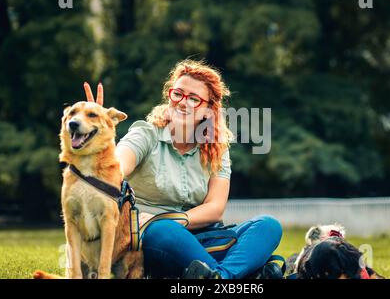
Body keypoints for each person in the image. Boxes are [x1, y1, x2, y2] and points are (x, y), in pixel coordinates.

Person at [86, 60, 283, 279]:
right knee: (163, 229)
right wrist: (100, 139)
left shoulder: (217, 148)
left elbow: (215, 208)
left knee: (268, 226)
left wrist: (175, 218)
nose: (183, 103)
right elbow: (116, 169)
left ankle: (218, 277)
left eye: (193, 99)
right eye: (177, 94)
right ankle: (243, 273)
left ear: (208, 110)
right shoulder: (144, 134)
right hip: (154, 239)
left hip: (205, 238)